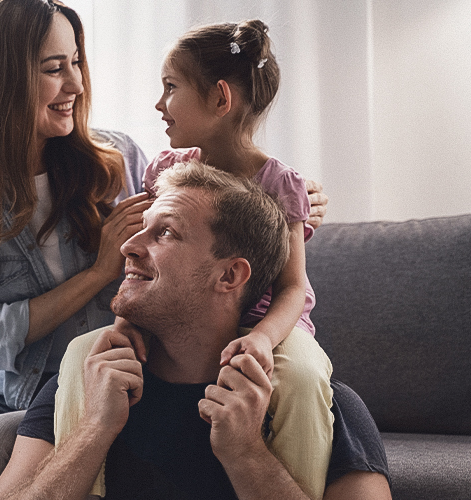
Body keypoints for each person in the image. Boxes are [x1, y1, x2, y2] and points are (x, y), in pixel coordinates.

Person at [0, 3, 330, 499]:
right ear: (0, 80)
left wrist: (281, 205)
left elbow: (203, 212)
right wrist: (99, 273)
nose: (76, 83)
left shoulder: (117, 162)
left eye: (76, 62)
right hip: (1, 389)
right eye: (55, 69)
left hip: (114, 367)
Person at [0, 160, 391, 500]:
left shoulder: (323, 403)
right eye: (142, 227)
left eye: (165, 232)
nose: (127, 246)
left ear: (230, 275)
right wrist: (93, 431)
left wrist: (247, 456)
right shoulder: (90, 378)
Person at [108, 20, 332, 499]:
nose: (158, 103)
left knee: (304, 375)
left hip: (266, 323)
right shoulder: (168, 169)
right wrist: (134, 319)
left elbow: (294, 287)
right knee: (87, 355)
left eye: (170, 87)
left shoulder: (280, 184)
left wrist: (262, 340)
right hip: (186, 316)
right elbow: (150, 256)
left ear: (220, 99)